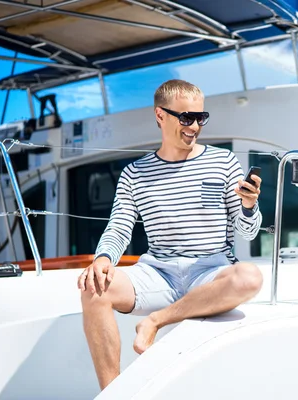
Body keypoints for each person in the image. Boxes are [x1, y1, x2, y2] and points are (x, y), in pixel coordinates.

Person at [77, 79, 263, 390]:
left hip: (210, 270)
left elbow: (248, 231)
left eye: (200, 118)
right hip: (157, 273)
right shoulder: (135, 173)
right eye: (186, 118)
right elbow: (120, 225)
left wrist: (247, 207)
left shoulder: (223, 162)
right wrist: (103, 258)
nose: (194, 127)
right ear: (160, 116)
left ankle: (155, 321)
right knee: (93, 287)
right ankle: (114, 393)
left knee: (249, 278)